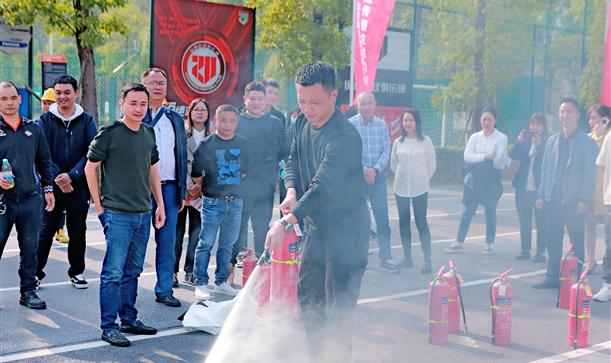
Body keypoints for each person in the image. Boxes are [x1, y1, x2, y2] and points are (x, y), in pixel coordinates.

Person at [265, 61, 369, 361]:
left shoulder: (345, 137)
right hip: (316, 227)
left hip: (348, 231)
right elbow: (293, 158)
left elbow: (322, 186)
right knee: (310, 299)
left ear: (334, 95)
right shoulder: (300, 122)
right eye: (301, 101)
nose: (308, 109)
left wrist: (286, 221)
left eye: (315, 102)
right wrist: (291, 190)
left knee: (338, 309)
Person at [85, 83, 165, 347]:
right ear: (123, 104)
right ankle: (109, 327)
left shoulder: (148, 133)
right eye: (133, 103)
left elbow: (153, 170)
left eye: (143, 104)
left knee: (133, 270)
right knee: (112, 273)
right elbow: (90, 168)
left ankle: (129, 319)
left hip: (143, 213)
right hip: (117, 214)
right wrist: (99, 207)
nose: (139, 108)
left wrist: (159, 205)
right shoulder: (109, 134)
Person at [36, 75, 97, 289]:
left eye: (67, 92)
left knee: (77, 230)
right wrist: (58, 178)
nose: (62, 97)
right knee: (45, 229)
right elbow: (41, 154)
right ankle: (36, 274)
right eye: (59, 93)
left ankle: (77, 272)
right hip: (51, 187)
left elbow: (91, 152)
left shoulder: (87, 120)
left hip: (77, 185)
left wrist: (71, 175)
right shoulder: (44, 121)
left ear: (76, 93)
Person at [0, 81, 55, 310]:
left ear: (20, 99)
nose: (9, 102)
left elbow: (44, 161)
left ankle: (28, 292)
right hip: (3, 201)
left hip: (31, 198)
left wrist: (48, 189)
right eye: (3, 99)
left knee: (30, 248)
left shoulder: (34, 128)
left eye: (13, 97)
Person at [533, 98, 598, 289]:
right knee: (552, 239)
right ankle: (552, 277)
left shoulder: (587, 142)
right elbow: (545, 169)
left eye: (569, 111)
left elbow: (590, 173)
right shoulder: (552, 140)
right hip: (553, 198)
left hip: (575, 201)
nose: (565, 115)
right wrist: (541, 194)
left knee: (576, 239)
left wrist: (585, 198)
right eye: (562, 111)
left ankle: (577, 279)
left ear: (577, 115)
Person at [191, 104, 249, 300]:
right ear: (215, 120)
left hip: (235, 202)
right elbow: (197, 173)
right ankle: (200, 281)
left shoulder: (243, 143)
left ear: (237, 122)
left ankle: (222, 281)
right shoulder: (207, 145)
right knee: (206, 242)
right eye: (223, 120)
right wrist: (204, 188)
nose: (227, 124)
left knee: (228, 243)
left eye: (232, 121)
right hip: (212, 202)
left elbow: (247, 170)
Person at [141, 67, 188, 307]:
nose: (158, 87)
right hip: (140, 190)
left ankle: (165, 289)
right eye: (153, 83)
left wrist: (182, 191)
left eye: (161, 83)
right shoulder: (136, 115)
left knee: (167, 242)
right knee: (136, 242)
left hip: (169, 189)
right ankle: (130, 291)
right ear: (144, 86)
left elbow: (181, 155)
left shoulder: (175, 119)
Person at [446, 108, 510, 255]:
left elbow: (498, 160)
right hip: (474, 179)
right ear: (480, 120)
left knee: (490, 211)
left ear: (495, 121)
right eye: (484, 119)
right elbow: (467, 156)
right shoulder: (475, 137)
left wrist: (480, 157)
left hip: (491, 179)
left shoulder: (501, 138)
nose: (486, 122)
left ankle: (489, 243)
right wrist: (485, 156)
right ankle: (459, 242)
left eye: (490, 119)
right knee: (468, 211)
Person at [234, 81, 285, 258]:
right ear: (245, 99)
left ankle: (262, 255)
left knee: (262, 222)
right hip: (242, 183)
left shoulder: (275, 123)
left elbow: (282, 151)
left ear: (266, 101)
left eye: (260, 99)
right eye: (252, 98)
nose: (256, 102)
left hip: (266, 182)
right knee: (240, 221)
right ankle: (240, 254)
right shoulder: (237, 122)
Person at [349, 92, 399, 273]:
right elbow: (349, 152)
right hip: (357, 179)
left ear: (375, 104)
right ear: (357, 106)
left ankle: (386, 259)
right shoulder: (351, 124)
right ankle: (357, 258)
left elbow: (386, 151)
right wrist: (363, 170)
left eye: (369, 103)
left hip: (377, 178)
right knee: (358, 221)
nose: (366, 107)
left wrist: (375, 169)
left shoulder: (381, 125)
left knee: (382, 219)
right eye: (362, 104)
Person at [390, 109, 436, 274]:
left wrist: (421, 179)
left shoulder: (425, 142)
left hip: (420, 188)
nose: (407, 123)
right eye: (405, 120)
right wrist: (404, 178)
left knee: (421, 223)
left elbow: (432, 165)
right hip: (401, 188)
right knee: (403, 223)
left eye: (410, 120)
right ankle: (407, 258)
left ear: (417, 122)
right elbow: (394, 164)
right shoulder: (398, 142)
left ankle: (427, 260)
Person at [174, 98, 209, 286]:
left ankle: (190, 270)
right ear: (190, 112)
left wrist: (200, 187)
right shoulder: (182, 134)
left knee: (196, 234)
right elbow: (178, 161)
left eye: (203, 110)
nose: (200, 113)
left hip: (202, 193)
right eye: (196, 109)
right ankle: (172, 271)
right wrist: (189, 186)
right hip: (183, 190)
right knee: (177, 234)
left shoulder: (213, 136)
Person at [510, 113, 548, 262]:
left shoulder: (548, 143)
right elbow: (513, 154)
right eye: (532, 124)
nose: (535, 127)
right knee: (524, 220)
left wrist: (538, 147)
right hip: (523, 187)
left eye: (538, 124)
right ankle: (525, 249)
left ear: (543, 127)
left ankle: (540, 252)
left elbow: (547, 162)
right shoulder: (525, 141)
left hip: (539, 189)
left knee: (541, 221)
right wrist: (519, 142)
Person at [41, 87, 69, 244]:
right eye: (44, 102)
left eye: (49, 102)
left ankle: (60, 229)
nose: (46, 106)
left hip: (60, 175)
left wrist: (60, 174)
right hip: (44, 174)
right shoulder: (39, 124)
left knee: (61, 203)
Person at [584, 104, 610, 274]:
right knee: (590, 223)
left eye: (596, 118)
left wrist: (602, 135)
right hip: (591, 186)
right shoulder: (587, 138)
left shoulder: (608, 137)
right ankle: (590, 260)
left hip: (607, 187)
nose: (592, 122)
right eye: (591, 118)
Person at [593, 124, 611, 301]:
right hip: (610, 200)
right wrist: (599, 198)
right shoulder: (609, 136)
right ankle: (608, 285)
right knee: (610, 245)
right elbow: (601, 167)